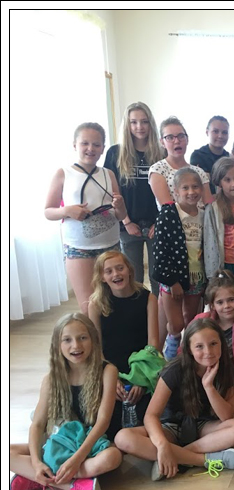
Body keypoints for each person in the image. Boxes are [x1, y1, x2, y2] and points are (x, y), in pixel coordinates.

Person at [114, 319, 234, 481]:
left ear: (222, 344)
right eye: (199, 346)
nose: (208, 351)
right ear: (189, 349)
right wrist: (162, 444)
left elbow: (226, 416)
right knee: (122, 438)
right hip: (170, 427)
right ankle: (203, 460)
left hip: (204, 428)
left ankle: (176, 457)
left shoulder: (227, 368)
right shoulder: (174, 370)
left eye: (213, 343)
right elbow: (151, 415)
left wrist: (209, 386)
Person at [9, 314, 122, 490]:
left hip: (94, 445)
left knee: (113, 457)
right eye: (67, 340)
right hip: (61, 444)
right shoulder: (51, 380)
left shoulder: (107, 371)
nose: (76, 346)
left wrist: (77, 459)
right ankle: (72, 485)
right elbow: (37, 424)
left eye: (82, 338)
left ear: (93, 340)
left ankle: (37, 479)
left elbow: (103, 421)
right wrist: (36, 463)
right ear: (57, 345)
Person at [44, 122, 128, 313]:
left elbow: (120, 215)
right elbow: (48, 211)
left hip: (111, 246)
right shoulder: (63, 173)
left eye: (96, 144)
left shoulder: (108, 174)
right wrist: (67, 211)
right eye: (85, 143)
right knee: (89, 306)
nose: (91, 148)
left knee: (114, 302)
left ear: (103, 148)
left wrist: (120, 206)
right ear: (75, 145)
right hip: (79, 249)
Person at [88, 250, 159, 436]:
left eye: (120, 268)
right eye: (109, 271)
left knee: (147, 422)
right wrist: (111, 380)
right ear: (102, 277)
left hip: (141, 369)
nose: (116, 274)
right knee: (108, 426)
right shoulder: (96, 304)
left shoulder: (148, 298)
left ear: (129, 270)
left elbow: (153, 344)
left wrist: (141, 380)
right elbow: (96, 348)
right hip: (110, 370)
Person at [104, 102, 163, 285]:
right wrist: (127, 222)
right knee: (132, 279)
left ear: (151, 124)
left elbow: (169, 191)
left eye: (144, 121)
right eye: (134, 122)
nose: (139, 127)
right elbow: (112, 191)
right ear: (127, 125)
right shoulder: (115, 153)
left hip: (157, 225)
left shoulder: (161, 152)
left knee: (158, 277)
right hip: (127, 226)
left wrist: (160, 222)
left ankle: (157, 306)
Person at [153, 167, 207, 358]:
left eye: (195, 187)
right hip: (173, 278)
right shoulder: (168, 214)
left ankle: (185, 356)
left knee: (189, 320)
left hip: (196, 276)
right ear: (176, 191)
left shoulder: (204, 214)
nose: (191, 192)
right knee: (176, 324)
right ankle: (171, 350)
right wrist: (172, 281)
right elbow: (161, 250)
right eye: (185, 188)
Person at [193, 270, 234, 406]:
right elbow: (184, 352)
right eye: (220, 302)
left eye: (231, 300)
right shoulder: (200, 322)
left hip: (230, 385)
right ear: (212, 305)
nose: (227, 306)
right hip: (199, 380)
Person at [149, 116, 213, 206]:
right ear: (162, 142)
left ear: (187, 139)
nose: (177, 141)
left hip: (202, 215)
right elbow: (167, 207)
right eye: (170, 137)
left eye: (181, 136)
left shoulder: (199, 171)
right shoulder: (158, 170)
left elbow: (209, 205)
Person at [190, 115, 230, 194]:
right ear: (207, 132)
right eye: (215, 131)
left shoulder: (229, 158)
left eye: (224, 132)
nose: (220, 136)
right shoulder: (198, 156)